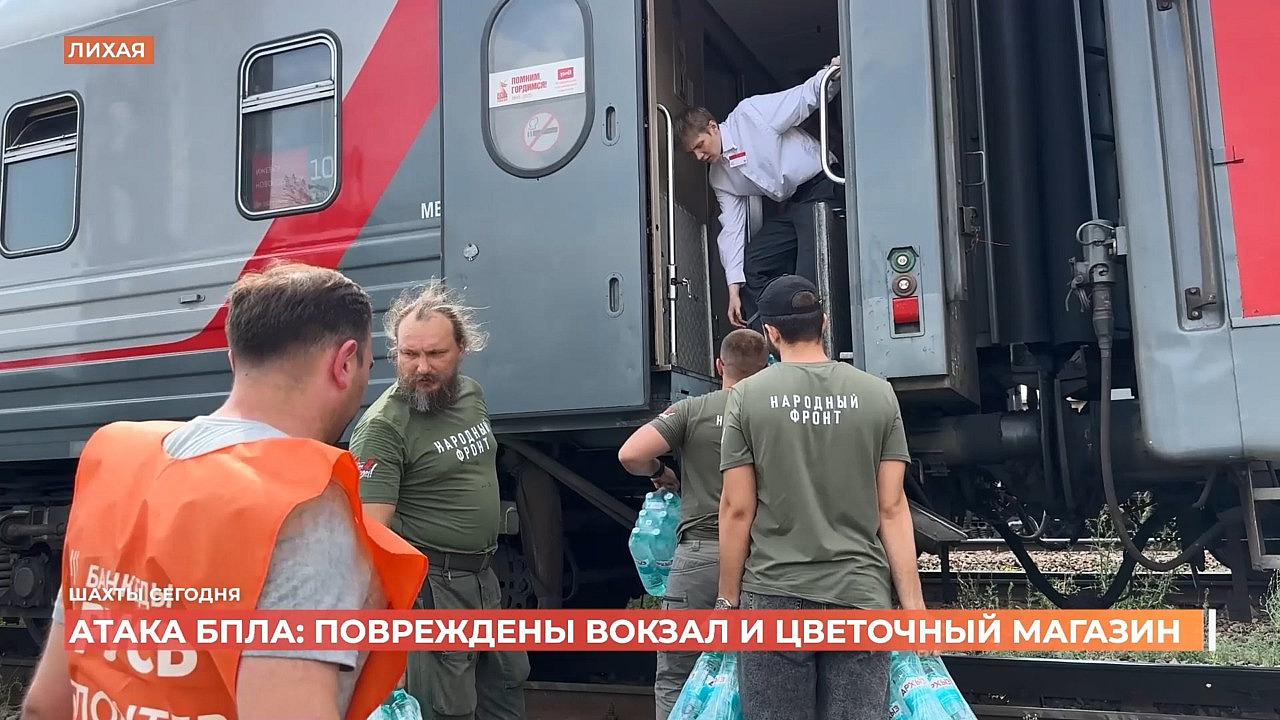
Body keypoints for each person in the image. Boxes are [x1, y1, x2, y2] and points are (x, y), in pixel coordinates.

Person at [21, 261, 428, 720]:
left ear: (234, 359)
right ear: (345, 363)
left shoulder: (116, 466)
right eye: (368, 365)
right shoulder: (303, 508)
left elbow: (43, 706)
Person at [715, 275, 926, 720]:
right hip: (861, 596)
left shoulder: (746, 398)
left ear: (771, 333)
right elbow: (892, 508)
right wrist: (913, 607)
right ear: (824, 323)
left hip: (774, 594)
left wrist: (726, 602)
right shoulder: (879, 394)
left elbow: (737, 509)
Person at [349, 281, 529, 720]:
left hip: (484, 580)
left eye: (435, 354)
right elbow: (370, 541)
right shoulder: (383, 427)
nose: (422, 367)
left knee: (507, 696)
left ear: (463, 348)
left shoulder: (470, 395)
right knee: (446, 710)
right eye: (409, 354)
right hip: (433, 590)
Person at [617, 328, 770, 720]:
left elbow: (631, 454)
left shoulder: (692, 410)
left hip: (699, 558)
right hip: (762, 559)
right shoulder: (773, 413)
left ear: (719, 366)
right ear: (765, 368)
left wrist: (660, 471)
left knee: (677, 674)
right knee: (760, 675)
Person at [674, 57, 843, 330]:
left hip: (822, 184)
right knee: (754, 263)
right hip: (795, 202)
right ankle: (770, 336)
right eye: (692, 153)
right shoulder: (719, 177)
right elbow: (732, 229)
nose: (698, 156)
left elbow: (802, 99)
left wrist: (831, 74)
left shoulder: (750, 115)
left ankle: (810, 336)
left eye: (699, 145)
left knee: (808, 268)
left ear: (713, 127)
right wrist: (733, 290)